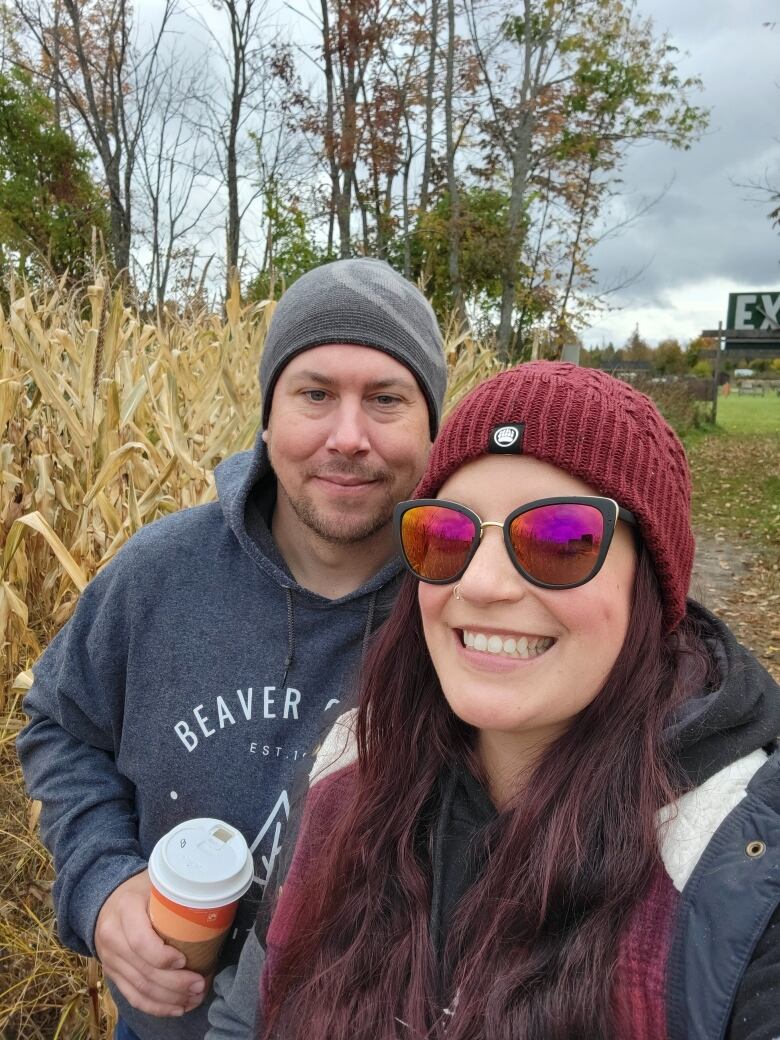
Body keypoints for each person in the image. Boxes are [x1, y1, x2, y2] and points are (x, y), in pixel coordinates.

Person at [256, 363, 780, 1040]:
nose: (484, 584)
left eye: (561, 538)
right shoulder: (351, 773)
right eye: (446, 535)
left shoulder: (739, 868)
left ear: (648, 584)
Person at [17, 258, 448, 1040]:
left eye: (386, 400)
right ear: (267, 414)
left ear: (432, 428)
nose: (347, 437)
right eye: (314, 394)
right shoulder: (159, 576)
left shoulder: (464, 606)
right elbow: (59, 724)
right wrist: (101, 885)